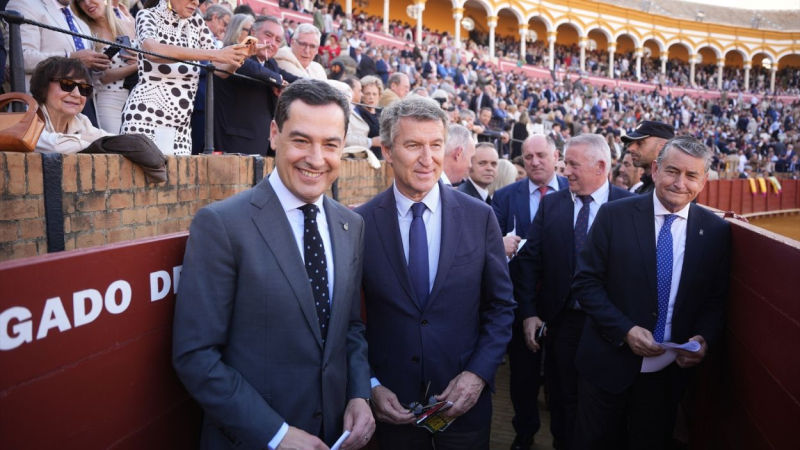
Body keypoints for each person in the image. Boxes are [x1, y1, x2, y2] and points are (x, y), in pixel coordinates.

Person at [172, 79, 375, 450]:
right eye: (301, 140)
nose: (316, 159)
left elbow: (349, 327)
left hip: (333, 436)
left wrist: (359, 394)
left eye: (330, 144)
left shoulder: (351, 225)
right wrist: (276, 434)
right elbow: (196, 355)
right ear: (273, 134)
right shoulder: (222, 224)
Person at [355, 97, 515, 450]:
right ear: (387, 151)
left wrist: (477, 375)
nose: (427, 159)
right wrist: (370, 385)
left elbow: (501, 307)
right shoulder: (360, 223)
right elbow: (348, 323)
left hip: (464, 408)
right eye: (413, 145)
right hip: (392, 411)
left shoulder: (479, 217)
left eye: (436, 145)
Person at [572, 136, 730, 449]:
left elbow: (715, 300)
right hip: (607, 365)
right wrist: (626, 330)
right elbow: (585, 284)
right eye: (672, 171)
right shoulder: (613, 215)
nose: (680, 183)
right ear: (655, 170)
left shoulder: (716, 231)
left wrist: (703, 338)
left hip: (667, 376)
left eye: (691, 175)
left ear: (704, 181)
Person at [514, 134, 634, 449]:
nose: (565, 171)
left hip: (611, 327)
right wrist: (529, 312)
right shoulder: (552, 204)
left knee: (605, 401)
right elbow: (529, 262)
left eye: (573, 165)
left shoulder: (629, 206)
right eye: (565, 163)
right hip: (562, 322)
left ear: (601, 167)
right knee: (563, 397)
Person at [491, 135, 568, 450]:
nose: (534, 162)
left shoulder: (577, 190)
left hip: (564, 303)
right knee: (523, 377)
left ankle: (563, 436)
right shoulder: (505, 197)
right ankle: (524, 433)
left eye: (541, 155)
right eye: (528, 156)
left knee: (562, 376)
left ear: (556, 156)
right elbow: (489, 246)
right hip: (519, 302)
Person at [120, 0, 249, 155]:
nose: (195, 2)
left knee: (178, 172)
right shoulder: (147, 15)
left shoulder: (197, 22)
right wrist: (215, 54)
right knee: (141, 171)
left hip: (181, 125)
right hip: (146, 115)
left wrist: (239, 57)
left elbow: (219, 70)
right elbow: (152, 51)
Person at [31, 57, 166, 182]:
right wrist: (92, 141)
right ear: (43, 86)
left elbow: (110, 139)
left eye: (84, 88)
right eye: (67, 84)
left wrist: (97, 142)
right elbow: (52, 145)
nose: (77, 94)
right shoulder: (28, 114)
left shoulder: (81, 120)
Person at [8, 0, 111, 126]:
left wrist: (95, 67)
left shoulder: (81, 23)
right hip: (42, 110)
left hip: (82, 108)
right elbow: (21, 58)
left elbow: (88, 76)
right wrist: (70, 57)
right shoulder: (24, 4)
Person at [214, 15, 297, 156]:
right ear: (253, 33)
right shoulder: (235, 52)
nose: (272, 43)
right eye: (268, 35)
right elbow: (252, 69)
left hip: (263, 144)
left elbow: (292, 79)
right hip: (234, 143)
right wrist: (278, 81)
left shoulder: (271, 64)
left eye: (278, 40)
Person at [73, 0, 137, 133]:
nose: (87, 3)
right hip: (110, 100)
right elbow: (104, 77)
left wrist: (143, 61)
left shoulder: (133, 25)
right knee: (116, 143)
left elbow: (156, 59)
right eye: (80, 1)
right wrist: (139, 65)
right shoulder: (87, 33)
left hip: (140, 96)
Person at [623, 120, 674, 194]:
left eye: (640, 143)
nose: (631, 148)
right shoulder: (644, 188)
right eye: (632, 143)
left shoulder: (670, 191)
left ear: (662, 147)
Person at [345, 75, 383, 158]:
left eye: (374, 94)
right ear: (362, 95)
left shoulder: (382, 113)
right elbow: (348, 138)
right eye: (368, 93)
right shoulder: (357, 112)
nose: (371, 97)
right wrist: (372, 141)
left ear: (379, 95)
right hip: (363, 157)